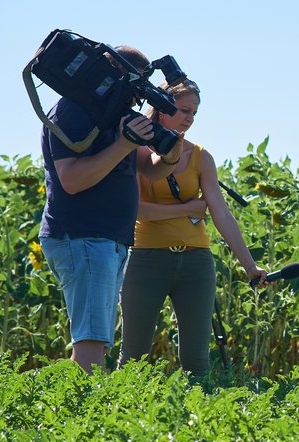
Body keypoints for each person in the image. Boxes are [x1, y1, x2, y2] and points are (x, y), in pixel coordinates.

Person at [40, 45, 184, 374]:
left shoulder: (117, 114)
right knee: (91, 345)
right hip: (82, 235)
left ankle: (64, 404)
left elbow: (150, 169)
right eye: (135, 90)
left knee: (95, 341)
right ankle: (79, 417)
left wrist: (170, 153)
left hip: (108, 240)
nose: (136, 101)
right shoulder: (73, 110)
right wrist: (123, 144)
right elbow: (72, 180)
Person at [118, 79, 269, 375]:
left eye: (194, 113)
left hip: (196, 263)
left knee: (197, 360)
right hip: (146, 259)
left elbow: (222, 215)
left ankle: (200, 418)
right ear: (161, 109)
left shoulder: (201, 156)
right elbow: (136, 210)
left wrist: (250, 267)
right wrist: (188, 208)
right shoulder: (134, 150)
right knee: (133, 357)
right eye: (184, 110)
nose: (189, 118)